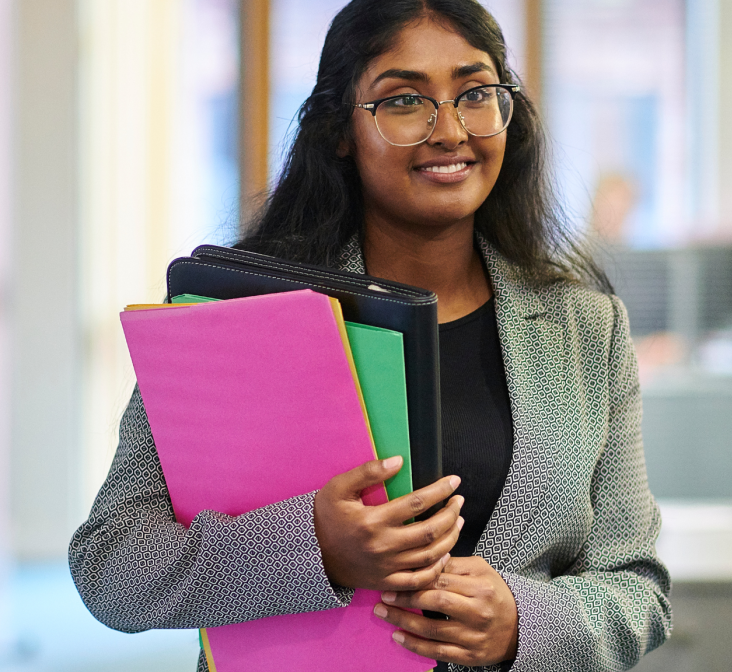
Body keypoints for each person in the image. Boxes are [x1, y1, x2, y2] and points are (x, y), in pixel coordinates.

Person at [68, 2, 671, 671]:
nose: (449, 130)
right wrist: (315, 547)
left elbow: (637, 589)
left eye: (474, 93)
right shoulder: (234, 319)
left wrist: (523, 624)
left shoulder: (586, 329)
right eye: (404, 100)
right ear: (338, 131)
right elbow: (111, 567)